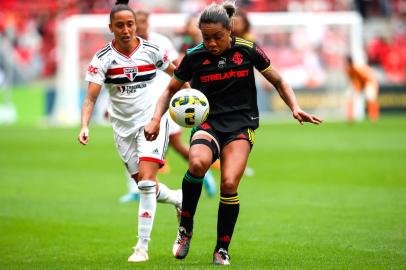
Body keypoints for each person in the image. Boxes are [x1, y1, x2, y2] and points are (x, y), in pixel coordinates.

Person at [144, 1, 322, 265]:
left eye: (217, 37)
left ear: (230, 30)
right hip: (209, 123)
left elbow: (278, 80)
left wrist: (294, 107)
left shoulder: (248, 50)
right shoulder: (195, 55)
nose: (212, 43)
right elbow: (169, 90)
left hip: (241, 124)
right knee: (196, 163)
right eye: (207, 37)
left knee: (229, 184)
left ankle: (222, 248)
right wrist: (156, 118)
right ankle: (185, 229)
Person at [78, 4, 184, 263]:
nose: (126, 30)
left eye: (130, 24)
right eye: (120, 25)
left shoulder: (152, 50)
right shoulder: (102, 58)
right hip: (122, 129)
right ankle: (180, 198)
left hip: (153, 123)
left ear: (136, 25)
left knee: (147, 184)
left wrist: (189, 97)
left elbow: (178, 74)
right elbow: (91, 98)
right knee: (146, 187)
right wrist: (84, 125)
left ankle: (141, 247)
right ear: (111, 28)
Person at [118, 9, 216, 203]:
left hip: (164, 100)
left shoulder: (160, 42)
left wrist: (184, 88)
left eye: (143, 22)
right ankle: (136, 188)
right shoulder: (126, 46)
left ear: (147, 23)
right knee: (132, 144)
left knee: (176, 144)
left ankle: (204, 172)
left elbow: (177, 65)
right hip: (139, 104)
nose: (140, 26)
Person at [344, 56, 380, 122]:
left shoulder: (357, 69)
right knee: (350, 96)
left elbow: (366, 78)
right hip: (360, 84)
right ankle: (350, 117)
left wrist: (359, 87)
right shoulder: (348, 70)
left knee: (370, 98)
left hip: (368, 83)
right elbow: (352, 80)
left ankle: (373, 116)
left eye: (346, 62)